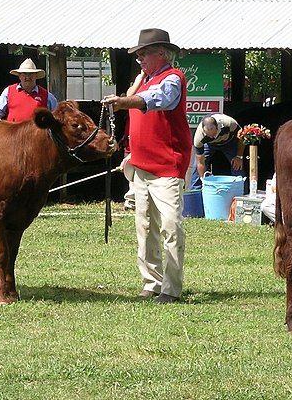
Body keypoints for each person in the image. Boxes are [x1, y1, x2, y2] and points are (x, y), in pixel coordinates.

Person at [103, 28, 191, 304]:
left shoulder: (172, 78)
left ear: (161, 53)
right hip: (141, 165)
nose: (139, 59)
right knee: (144, 227)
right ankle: (151, 282)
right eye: (138, 55)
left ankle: (171, 288)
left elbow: (158, 100)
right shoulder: (144, 79)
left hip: (167, 166)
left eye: (144, 54)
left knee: (170, 227)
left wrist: (123, 101)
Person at [0, 58, 58, 122]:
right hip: (13, 135)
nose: (27, 77)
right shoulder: (9, 91)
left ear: (36, 76)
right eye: (24, 74)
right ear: (19, 76)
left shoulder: (47, 96)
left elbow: (57, 116)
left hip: (36, 136)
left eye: (31, 74)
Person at [190, 114, 245, 189]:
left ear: (218, 127)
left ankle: (240, 191)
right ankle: (195, 192)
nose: (212, 137)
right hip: (209, 145)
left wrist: (239, 156)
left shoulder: (229, 123)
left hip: (229, 142)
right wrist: (203, 180)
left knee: (237, 165)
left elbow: (242, 137)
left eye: (214, 134)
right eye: (209, 136)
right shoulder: (199, 137)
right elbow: (200, 163)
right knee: (197, 167)